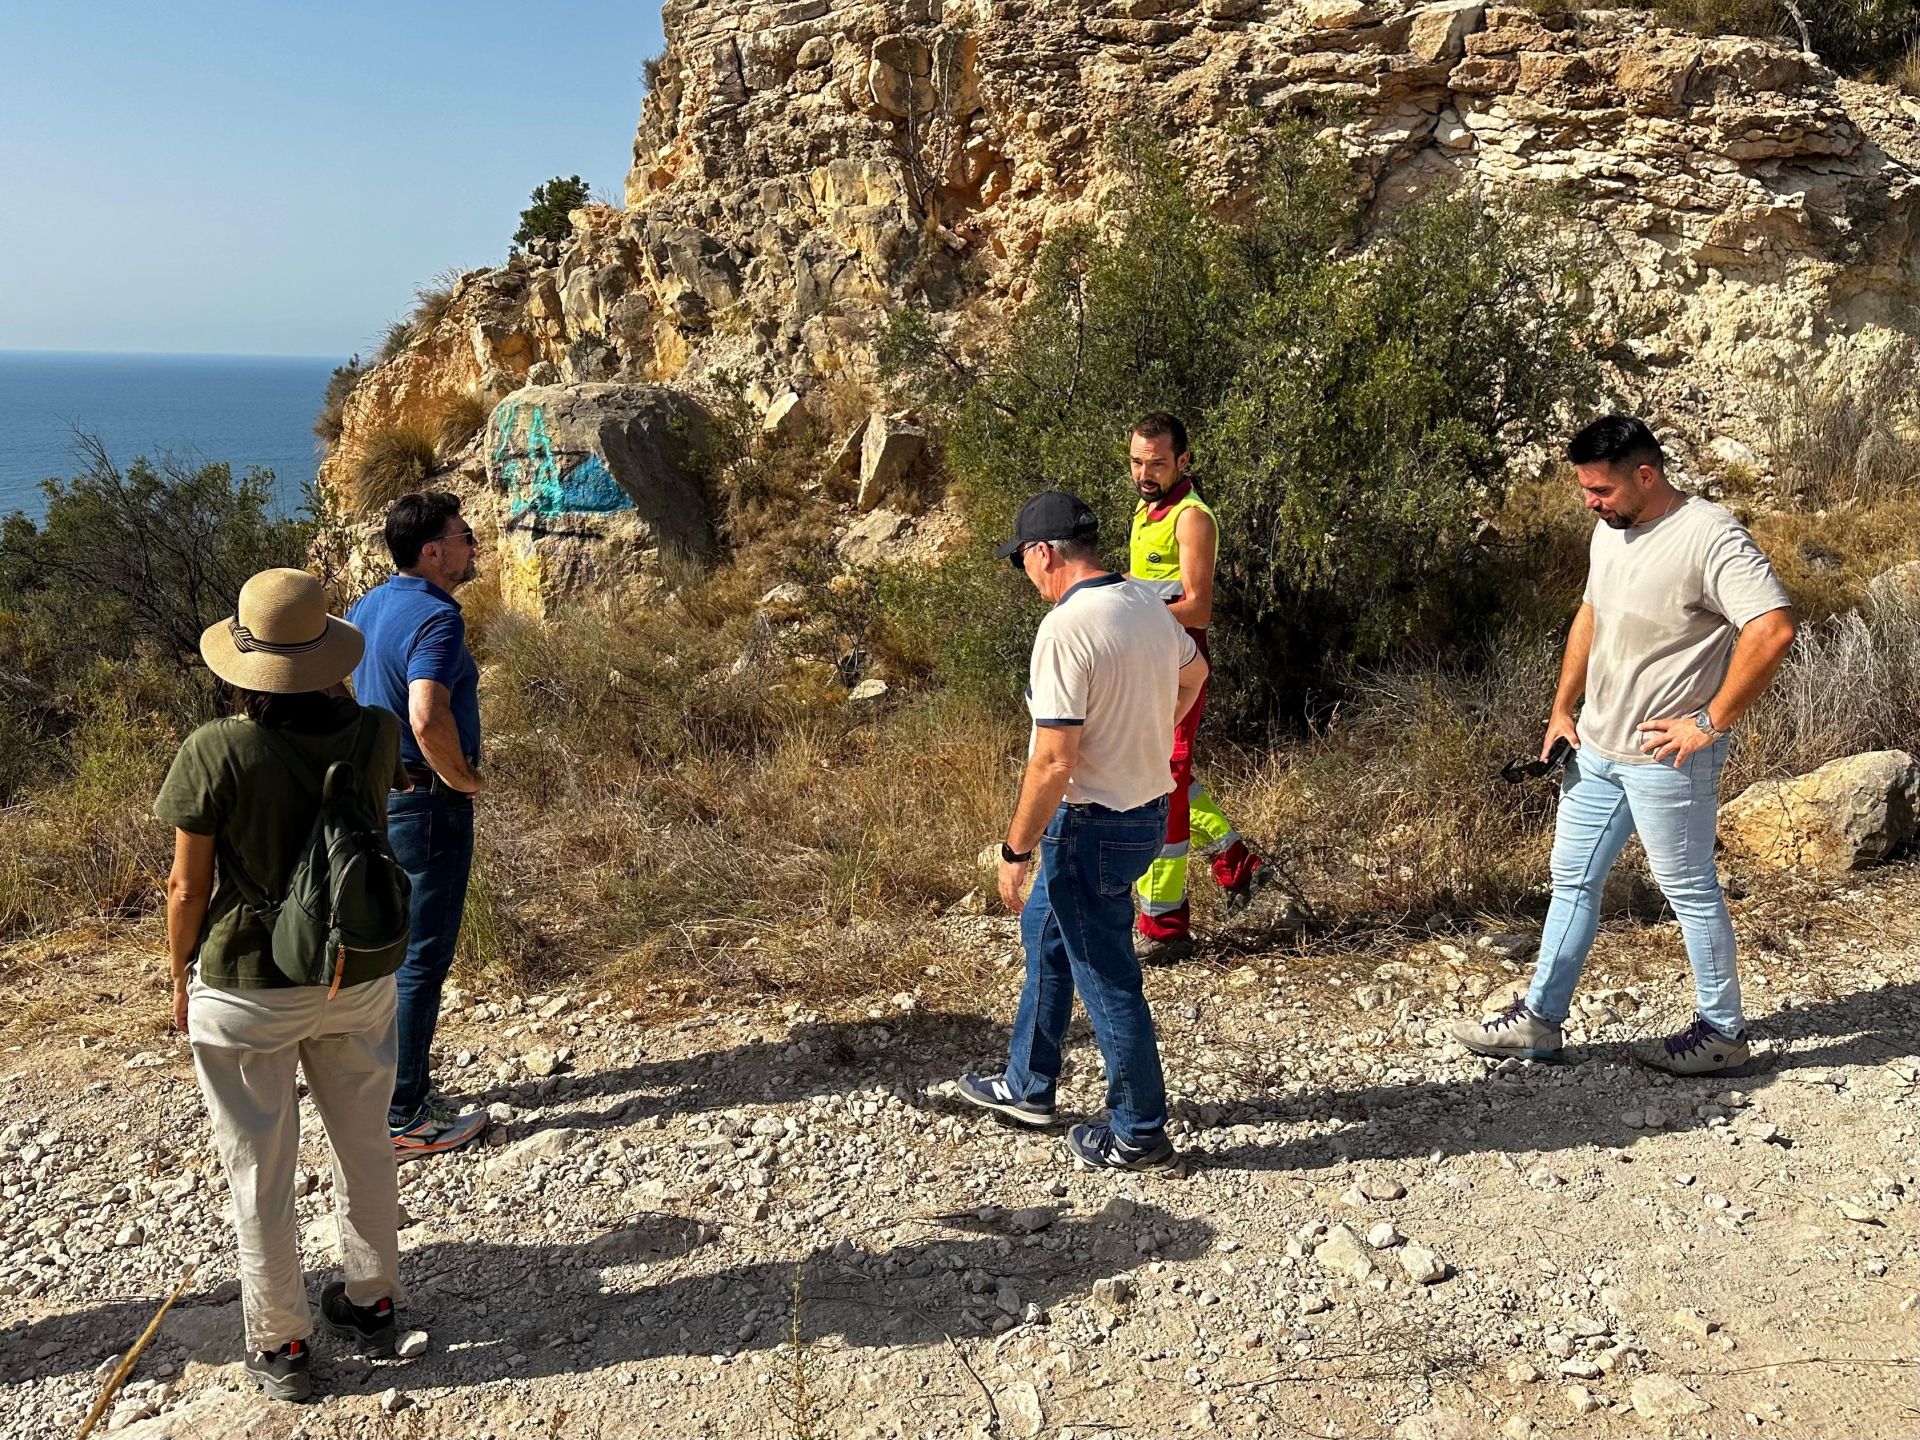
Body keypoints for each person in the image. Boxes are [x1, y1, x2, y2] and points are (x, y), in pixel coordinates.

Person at [1453, 415, 1797, 1075]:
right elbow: (1591, 613)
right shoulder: (1609, 532)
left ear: (1646, 475)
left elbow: (1773, 629)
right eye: (1585, 489)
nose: (1590, 501)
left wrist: (1710, 720)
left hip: (1670, 757)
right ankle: (1539, 1022)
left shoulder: (1710, 535)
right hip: (1597, 749)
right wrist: (1561, 708)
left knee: (1688, 888)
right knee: (1572, 882)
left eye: (1600, 489)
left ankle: (1722, 1032)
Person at [158, 568, 410, 1401]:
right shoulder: (374, 732)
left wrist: (175, 975)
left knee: (260, 1170)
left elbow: (187, 889)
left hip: (246, 987)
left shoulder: (215, 749)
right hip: (356, 971)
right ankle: (372, 1302)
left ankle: (283, 1344)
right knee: (366, 1144)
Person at [958, 491, 1210, 1172]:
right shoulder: (1143, 606)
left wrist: (1015, 849)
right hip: (1146, 814)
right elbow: (1197, 674)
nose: (1028, 577)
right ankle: (1028, 1084)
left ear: (1043, 554)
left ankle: (1139, 1130)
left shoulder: (1065, 630)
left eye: (1023, 563)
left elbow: (1053, 759)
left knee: (1106, 976)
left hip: (1090, 826)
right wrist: (1150, 733)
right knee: (1045, 932)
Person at [347, 492, 489, 1156]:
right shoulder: (438, 619)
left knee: (381, 954)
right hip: (427, 804)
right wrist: (462, 779)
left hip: (379, 794)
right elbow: (427, 715)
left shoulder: (370, 605)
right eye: (465, 536)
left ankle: (381, 1092)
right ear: (433, 551)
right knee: (420, 960)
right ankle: (404, 1117)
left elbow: (351, 683)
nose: (472, 545)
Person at [1125, 413, 1266, 963]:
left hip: (1180, 664)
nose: (1145, 472)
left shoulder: (1191, 518)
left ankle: (1165, 924)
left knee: (1165, 778)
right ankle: (1236, 863)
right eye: (1137, 461)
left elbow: (1199, 607)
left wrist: (1129, 617)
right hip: (1145, 661)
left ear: (1183, 461)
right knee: (1166, 774)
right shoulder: (1145, 510)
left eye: (1157, 462)